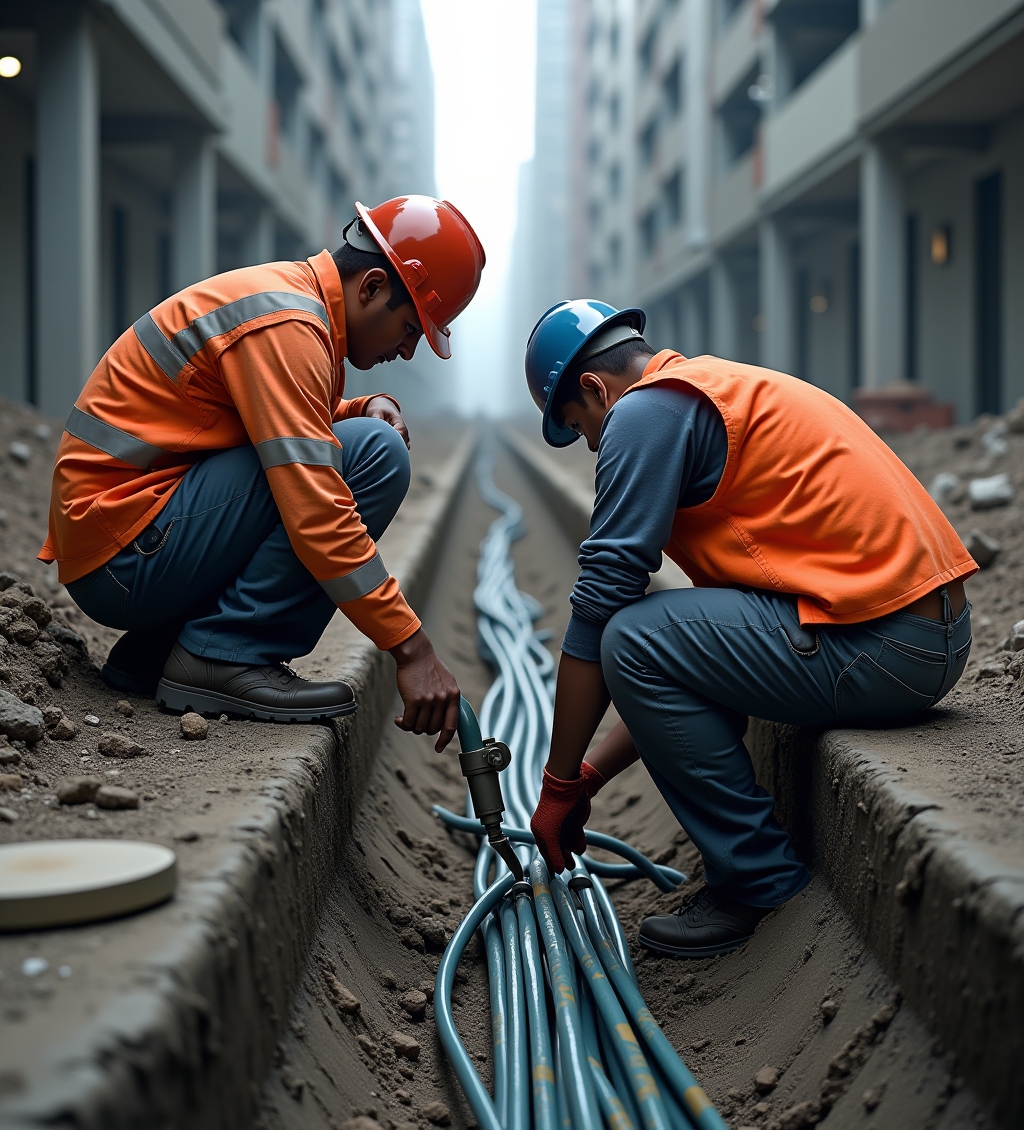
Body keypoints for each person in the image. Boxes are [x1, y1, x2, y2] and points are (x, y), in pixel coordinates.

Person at [525, 300, 976, 957]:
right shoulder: (715, 389)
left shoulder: (642, 413)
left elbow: (602, 613)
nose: (597, 446)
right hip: (933, 634)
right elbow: (703, 664)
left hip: (887, 650)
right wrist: (591, 775)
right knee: (653, 636)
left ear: (595, 389)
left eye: (585, 428)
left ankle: (758, 878)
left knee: (631, 634)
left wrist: (558, 785)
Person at [39, 196, 485, 748]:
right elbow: (317, 511)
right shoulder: (290, 325)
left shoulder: (289, 305)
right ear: (370, 287)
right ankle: (225, 653)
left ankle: (158, 648)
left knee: (357, 440)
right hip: (125, 558)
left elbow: (252, 420)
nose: (410, 349)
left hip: (121, 540)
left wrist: (354, 409)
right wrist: (413, 650)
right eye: (411, 326)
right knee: (374, 455)